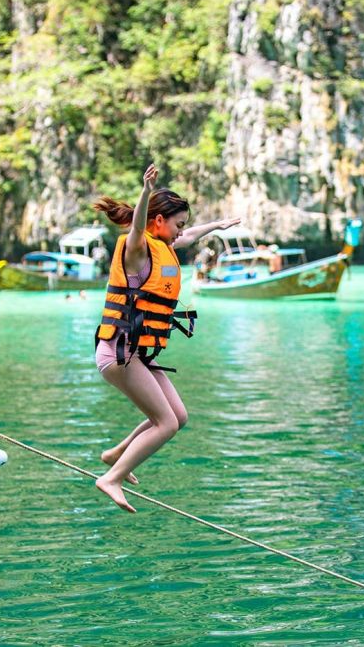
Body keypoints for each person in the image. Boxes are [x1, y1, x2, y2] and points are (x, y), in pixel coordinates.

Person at [92, 163, 240, 512]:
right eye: (178, 224)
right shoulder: (137, 249)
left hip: (138, 354)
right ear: (158, 221)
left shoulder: (165, 247)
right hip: (118, 353)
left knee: (179, 416)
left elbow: (189, 237)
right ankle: (112, 477)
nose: (181, 232)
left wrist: (216, 225)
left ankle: (117, 453)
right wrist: (146, 193)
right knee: (166, 424)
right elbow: (138, 227)